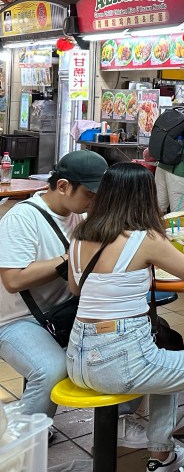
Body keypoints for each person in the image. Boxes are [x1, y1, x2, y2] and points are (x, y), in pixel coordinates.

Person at [66, 163, 184, 472]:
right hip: (119, 362)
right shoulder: (145, 238)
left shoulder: (80, 235)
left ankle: (162, 457)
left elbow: (75, 287)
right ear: (145, 197)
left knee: (169, 356)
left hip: (78, 360)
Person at [0, 151, 107, 420]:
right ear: (62, 186)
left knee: (133, 345)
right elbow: (13, 280)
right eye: (90, 194)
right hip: (17, 321)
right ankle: (26, 437)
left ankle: (121, 423)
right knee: (51, 369)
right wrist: (70, 258)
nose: (94, 202)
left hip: (64, 313)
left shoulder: (78, 215)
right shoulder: (22, 218)